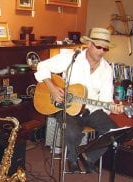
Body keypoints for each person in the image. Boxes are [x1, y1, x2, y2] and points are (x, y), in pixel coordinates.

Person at [34, 27, 123, 173]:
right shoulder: (71, 58)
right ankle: (72, 157)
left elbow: (106, 99)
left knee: (116, 133)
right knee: (72, 132)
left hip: (92, 110)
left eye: (105, 49)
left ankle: (89, 157)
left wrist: (113, 107)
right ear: (89, 44)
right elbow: (41, 66)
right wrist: (52, 88)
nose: (101, 51)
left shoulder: (107, 69)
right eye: (98, 47)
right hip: (67, 108)